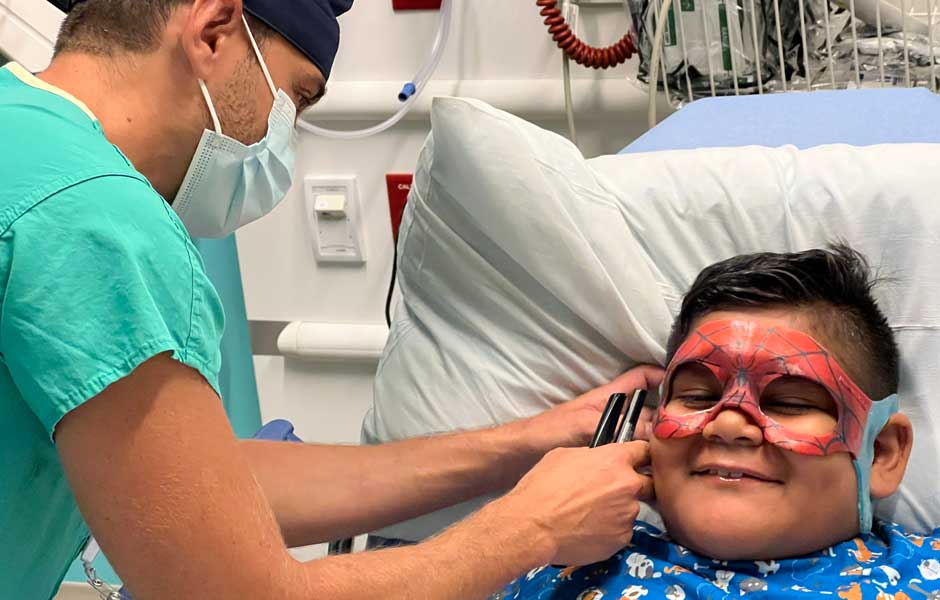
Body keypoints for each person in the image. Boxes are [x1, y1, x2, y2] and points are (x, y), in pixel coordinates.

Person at [0, 1, 666, 598]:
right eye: (296, 98)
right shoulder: (97, 222)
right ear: (213, 31)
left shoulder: (20, 132)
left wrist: (527, 442)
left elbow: (204, 487)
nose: (280, 137)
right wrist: (535, 527)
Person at [509, 244, 940, 599]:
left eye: (788, 402)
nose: (728, 425)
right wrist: (527, 531)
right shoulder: (554, 562)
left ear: (881, 452)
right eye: (697, 396)